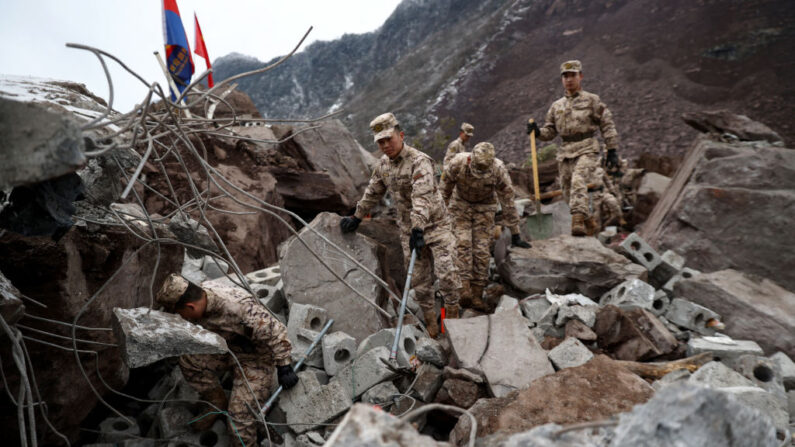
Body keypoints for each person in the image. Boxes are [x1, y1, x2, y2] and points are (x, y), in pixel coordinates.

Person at [340, 112, 461, 337]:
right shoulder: (383, 166)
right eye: (380, 142)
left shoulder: (420, 161)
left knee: (447, 275)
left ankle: (452, 323)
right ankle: (432, 325)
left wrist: (419, 228)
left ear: (401, 135)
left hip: (435, 227)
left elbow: (422, 198)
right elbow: (372, 192)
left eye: (389, 139)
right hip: (409, 230)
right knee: (419, 281)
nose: (385, 145)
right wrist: (356, 217)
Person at [156, 274, 297, 446]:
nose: (183, 317)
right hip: (227, 347)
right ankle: (217, 402)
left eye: (181, 313)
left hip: (255, 358)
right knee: (189, 360)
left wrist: (284, 365)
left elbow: (277, 331)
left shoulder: (239, 308)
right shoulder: (199, 293)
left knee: (239, 423)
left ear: (190, 307)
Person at [527, 60, 620, 236]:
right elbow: (550, 131)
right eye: (565, 76)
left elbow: (607, 124)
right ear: (562, 79)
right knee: (568, 192)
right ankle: (589, 221)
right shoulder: (556, 106)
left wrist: (612, 149)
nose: (569, 79)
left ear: (581, 76)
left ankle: (577, 222)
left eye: (573, 75)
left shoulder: (592, 100)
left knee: (579, 181)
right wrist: (538, 132)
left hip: (586, 148)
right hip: (565, 152)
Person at [441, 142, 531, 311]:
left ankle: (477, 295)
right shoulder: (456, 164)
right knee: (462, 244)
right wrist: (438, 220)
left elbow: (508, 202)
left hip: (485, 208)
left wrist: (515, 233)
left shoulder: (499, 170)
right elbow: (443, 192)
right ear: (470, 160)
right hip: (460, 206)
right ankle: (464, 289)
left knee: (482, 251)